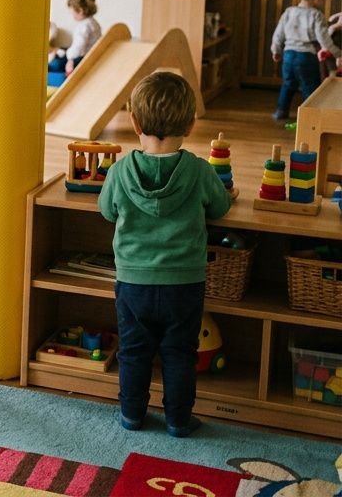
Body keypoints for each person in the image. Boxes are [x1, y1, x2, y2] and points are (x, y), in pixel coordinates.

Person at [98, 71, 234, 438]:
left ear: (135, 122)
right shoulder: (200, 171)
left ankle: (131, 415)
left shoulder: (121, 170)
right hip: (184, 282)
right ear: (190, 124)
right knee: (179, 354)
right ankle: (177, 420)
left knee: (134, 352)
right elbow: (219, 207)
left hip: (133, 282)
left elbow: (107, 210)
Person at [271, 0, 339, 121]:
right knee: (310, 87)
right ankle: (311, 117)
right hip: (306, 57)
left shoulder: (289, 12)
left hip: (288, 55)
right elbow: (324, 41)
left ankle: (281, 112)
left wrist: (276, 50)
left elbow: (278, 34)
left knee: (288, 85)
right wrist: (338, 53)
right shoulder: (316, 15)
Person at [59, 0, 101, 76]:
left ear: (80, 11)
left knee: (56, 63)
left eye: (72, 13)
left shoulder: (84, 26)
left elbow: (79, 46)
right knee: (62, 51)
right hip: (90, 55)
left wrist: (70, 59)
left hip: (82, 58)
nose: (72, 16)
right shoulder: (94, 23)